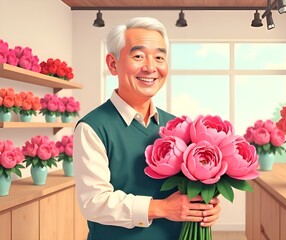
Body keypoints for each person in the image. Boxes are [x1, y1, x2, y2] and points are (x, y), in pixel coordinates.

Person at [74, 17, 221, 240]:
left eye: (159, 57)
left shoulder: (178, 126)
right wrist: (161, 208)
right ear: (113, 64)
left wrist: (206, 206)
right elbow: (93, 202)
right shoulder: (92, 128)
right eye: (138, 56)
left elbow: (188, 192)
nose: (151, 67)